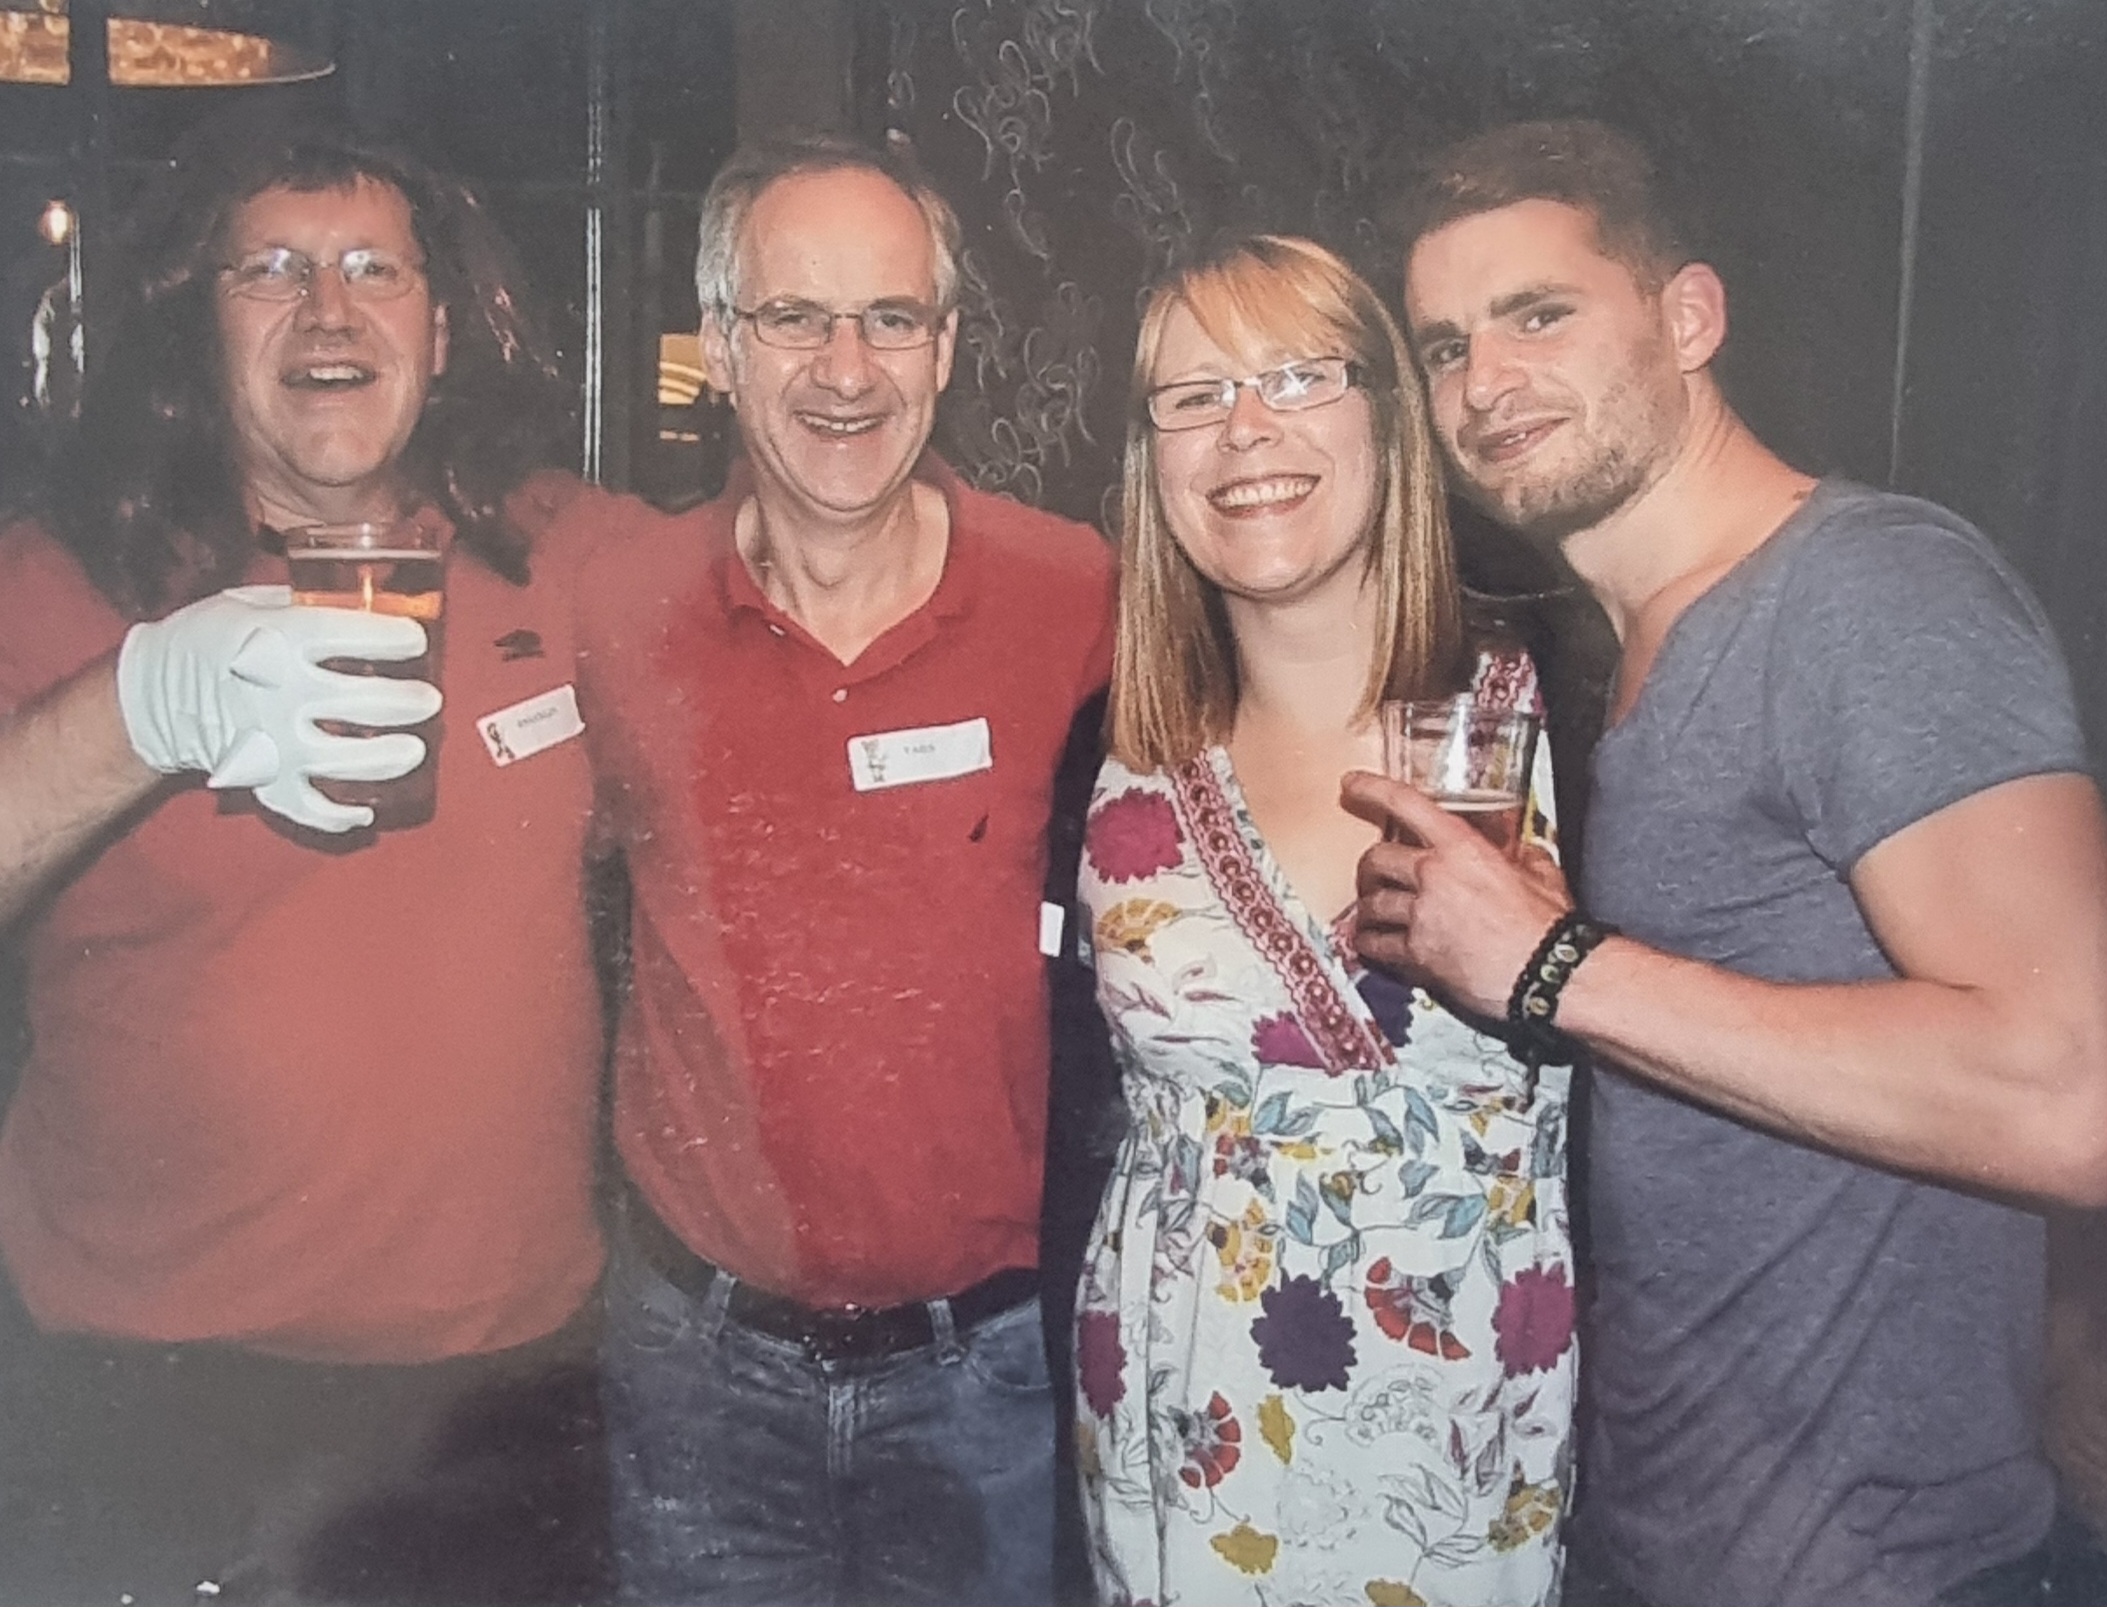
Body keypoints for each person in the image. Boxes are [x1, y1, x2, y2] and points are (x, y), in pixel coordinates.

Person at [1348, 117, 2107, 1606]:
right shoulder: (1631, 652)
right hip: (1674, 1546)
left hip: (1891, 1572)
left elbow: (2073, 1089)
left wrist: (1555, 965)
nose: (1484, 384)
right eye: (1445, 346)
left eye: (1540, 316)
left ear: (1689, 317)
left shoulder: (1869, 593)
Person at [0, 107, 613, 1603]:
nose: (329, 309)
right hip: (155, 1379)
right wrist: (143, 703)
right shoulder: (57, 581)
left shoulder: (572, 554)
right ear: (199, 327)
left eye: (373, 271)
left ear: (446, 330)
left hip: (501, 1387)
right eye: (269, 268)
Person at [571, 133, 1116, 1605]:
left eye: (890, 318)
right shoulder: (614, 614)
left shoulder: (1076, 593)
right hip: (698, 1363)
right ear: (723, 353)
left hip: (987, 1375)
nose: (845, 369)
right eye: (793, 318)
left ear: (945, 350)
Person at [1071, 234, 1574, 1607]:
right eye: (1193, 394)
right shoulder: (1104, 752)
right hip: (1184, 1473)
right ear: (1150, 455)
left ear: (1389, 418)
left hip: (1488, 1470)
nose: (1246, 432)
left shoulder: (1563, 714)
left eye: (1300, 375)